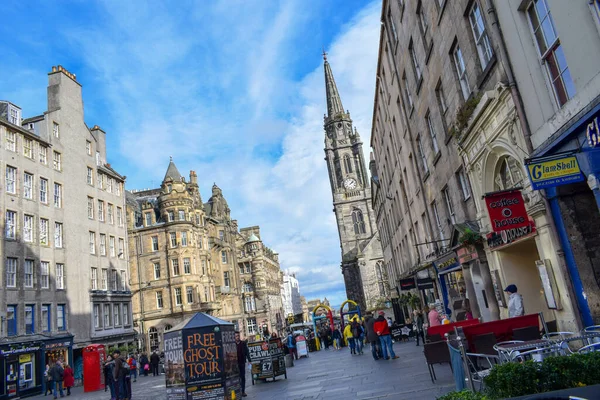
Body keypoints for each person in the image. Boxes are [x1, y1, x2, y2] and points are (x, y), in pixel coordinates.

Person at [235, 331, 251, 398]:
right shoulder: (232, 344)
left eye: (238, 336)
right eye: (236, 336)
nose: (237, 337)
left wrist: (249, 360)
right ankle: (238, 390)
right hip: (235, 363)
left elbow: (247, 351)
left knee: (243, 376)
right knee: (237, 377)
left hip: (242, 362)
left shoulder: (243, 343)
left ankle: (243, 391)